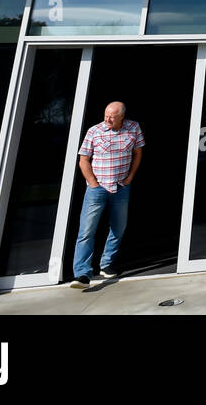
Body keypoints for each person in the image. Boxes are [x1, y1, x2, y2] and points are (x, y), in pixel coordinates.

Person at [70, 101, 143, 289]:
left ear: (122, 117)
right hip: (98, 187)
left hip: (121, 186)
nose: (107, 119)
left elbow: (138, 153)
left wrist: (130, 178)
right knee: (87, 230)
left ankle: (106, 264)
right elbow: (83, 160)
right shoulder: (94, 131)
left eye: (112, 116)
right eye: (105, 115)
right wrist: (93, 184)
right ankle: (82, 274)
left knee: (119, 227)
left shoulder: (133, 128)